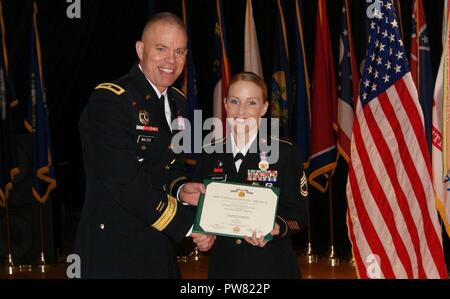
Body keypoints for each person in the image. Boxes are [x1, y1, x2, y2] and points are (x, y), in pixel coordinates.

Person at [75, 12, 210, 278]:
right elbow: (125, 183)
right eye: (161, 49)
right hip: (113, 249)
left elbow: (172, 165)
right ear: (140, 49)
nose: (172, 60)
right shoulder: (110, 102)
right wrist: (190, 226)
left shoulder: (178, 103)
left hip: (159, 242)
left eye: (180, 51)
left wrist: (182, 189)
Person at [192, 72, 309, 278]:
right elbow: (197, 206)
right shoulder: (209, 152)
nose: (241, 111)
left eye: (251, 103)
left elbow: (299, 216)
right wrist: (201, 233)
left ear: (264, 108)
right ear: (226, 104)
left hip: (271, 267)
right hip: (224, 267)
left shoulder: (284, 153)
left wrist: (276, 227)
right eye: (235, 101)